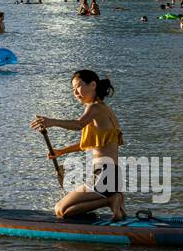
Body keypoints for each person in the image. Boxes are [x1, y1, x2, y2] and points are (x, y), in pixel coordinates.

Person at [31, 70, 126, 220]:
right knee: (67, 210)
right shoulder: (105, 110)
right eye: (73, 89)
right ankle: (115, 201)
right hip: (113, 175)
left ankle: (111, 200)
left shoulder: (94, 108)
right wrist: (61, 151)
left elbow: (79, 124)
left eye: (78, 86)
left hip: (103, 175)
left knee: (60, 210)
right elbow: (89, 145)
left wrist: (52, 122)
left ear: (93, 85)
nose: (75, 92)